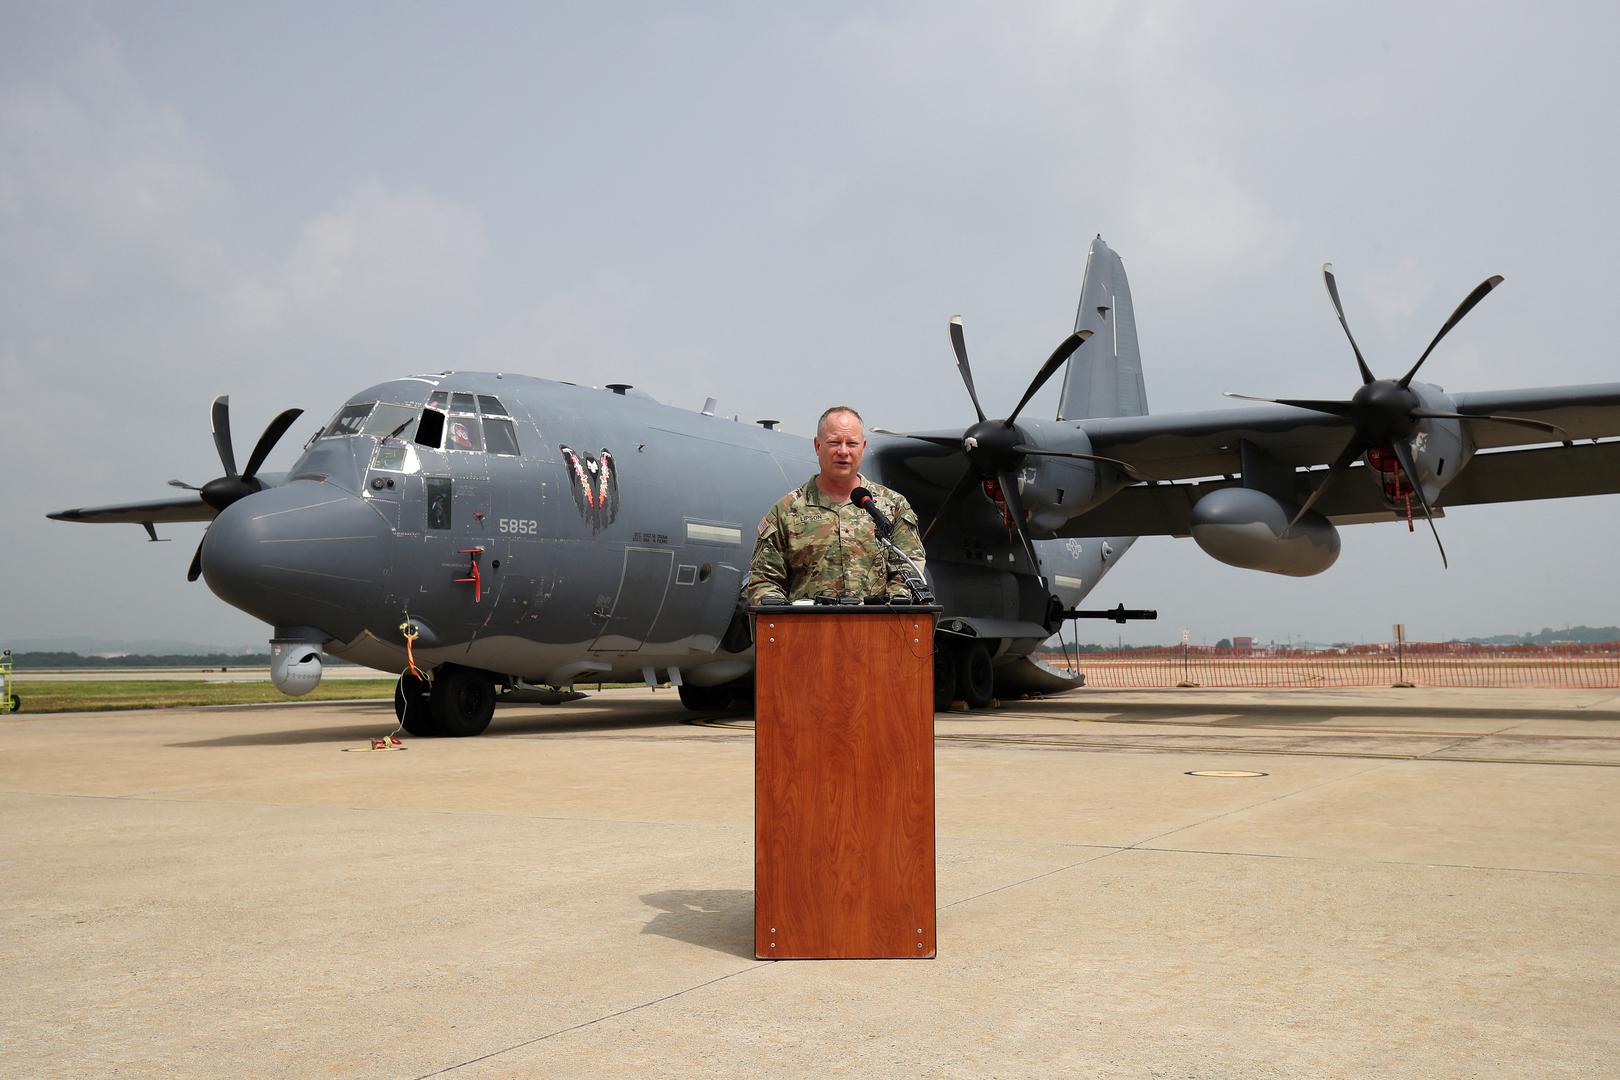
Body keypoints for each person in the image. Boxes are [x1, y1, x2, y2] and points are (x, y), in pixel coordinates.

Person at [747, 405, 926, 604]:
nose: (843, 451)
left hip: (878, 630)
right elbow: (764, 581)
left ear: (863, 447)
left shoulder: (892, 506)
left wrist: (888, 608)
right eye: (834, 442)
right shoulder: (786, 511)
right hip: (807, 631)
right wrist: (781, 612)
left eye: (851, 443)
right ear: (817, 445)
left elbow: (909, 570)